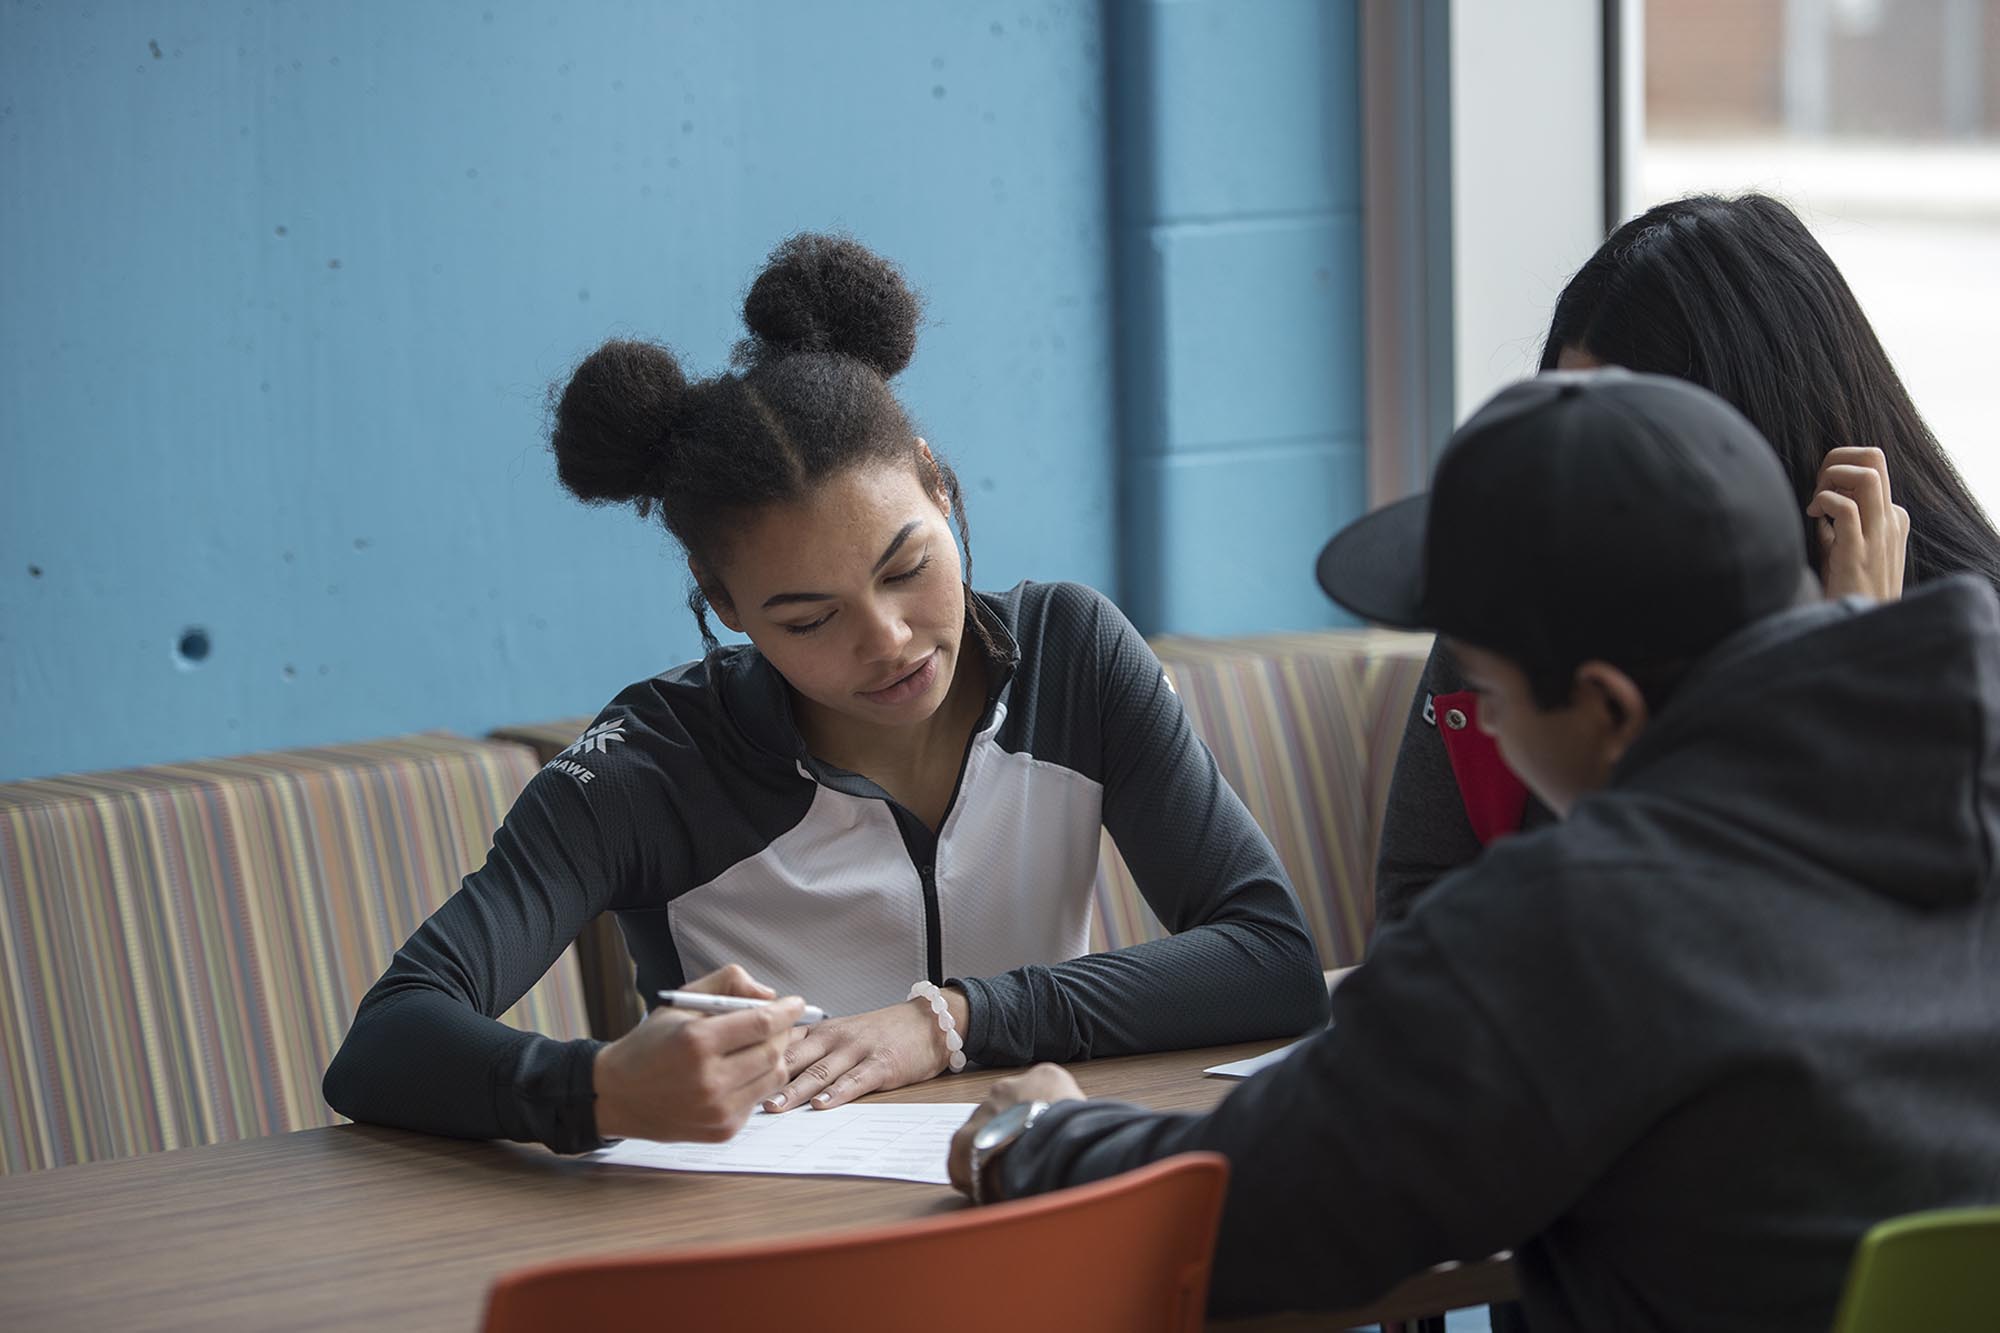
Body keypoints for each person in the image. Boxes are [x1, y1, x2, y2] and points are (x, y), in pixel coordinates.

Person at [946, 370, 2000, 1332]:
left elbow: (1255, 1217)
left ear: (1605, 705)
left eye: (1488, 697)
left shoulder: (1584, 924)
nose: (1482, 730)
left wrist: (1030, 1138)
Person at [322, 234, 1329, 1154]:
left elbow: (1269, 958)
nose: (886, 641)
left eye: (905, 569)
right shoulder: (648, 763)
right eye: (808, 620)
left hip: (1021, 1195)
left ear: (938, 486)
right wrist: (596, 1089)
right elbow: (386, 1040)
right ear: (726, 609)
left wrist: (953, 1021)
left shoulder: (1072, 654)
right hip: (760, 1249)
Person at [1375, 192, 2000, 928]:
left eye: (1630, 444)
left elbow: (1892, 962)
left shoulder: (1962, 647)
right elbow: (1413, 909)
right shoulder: (1523, 593)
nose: (1574, 484)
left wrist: (1853, 666)